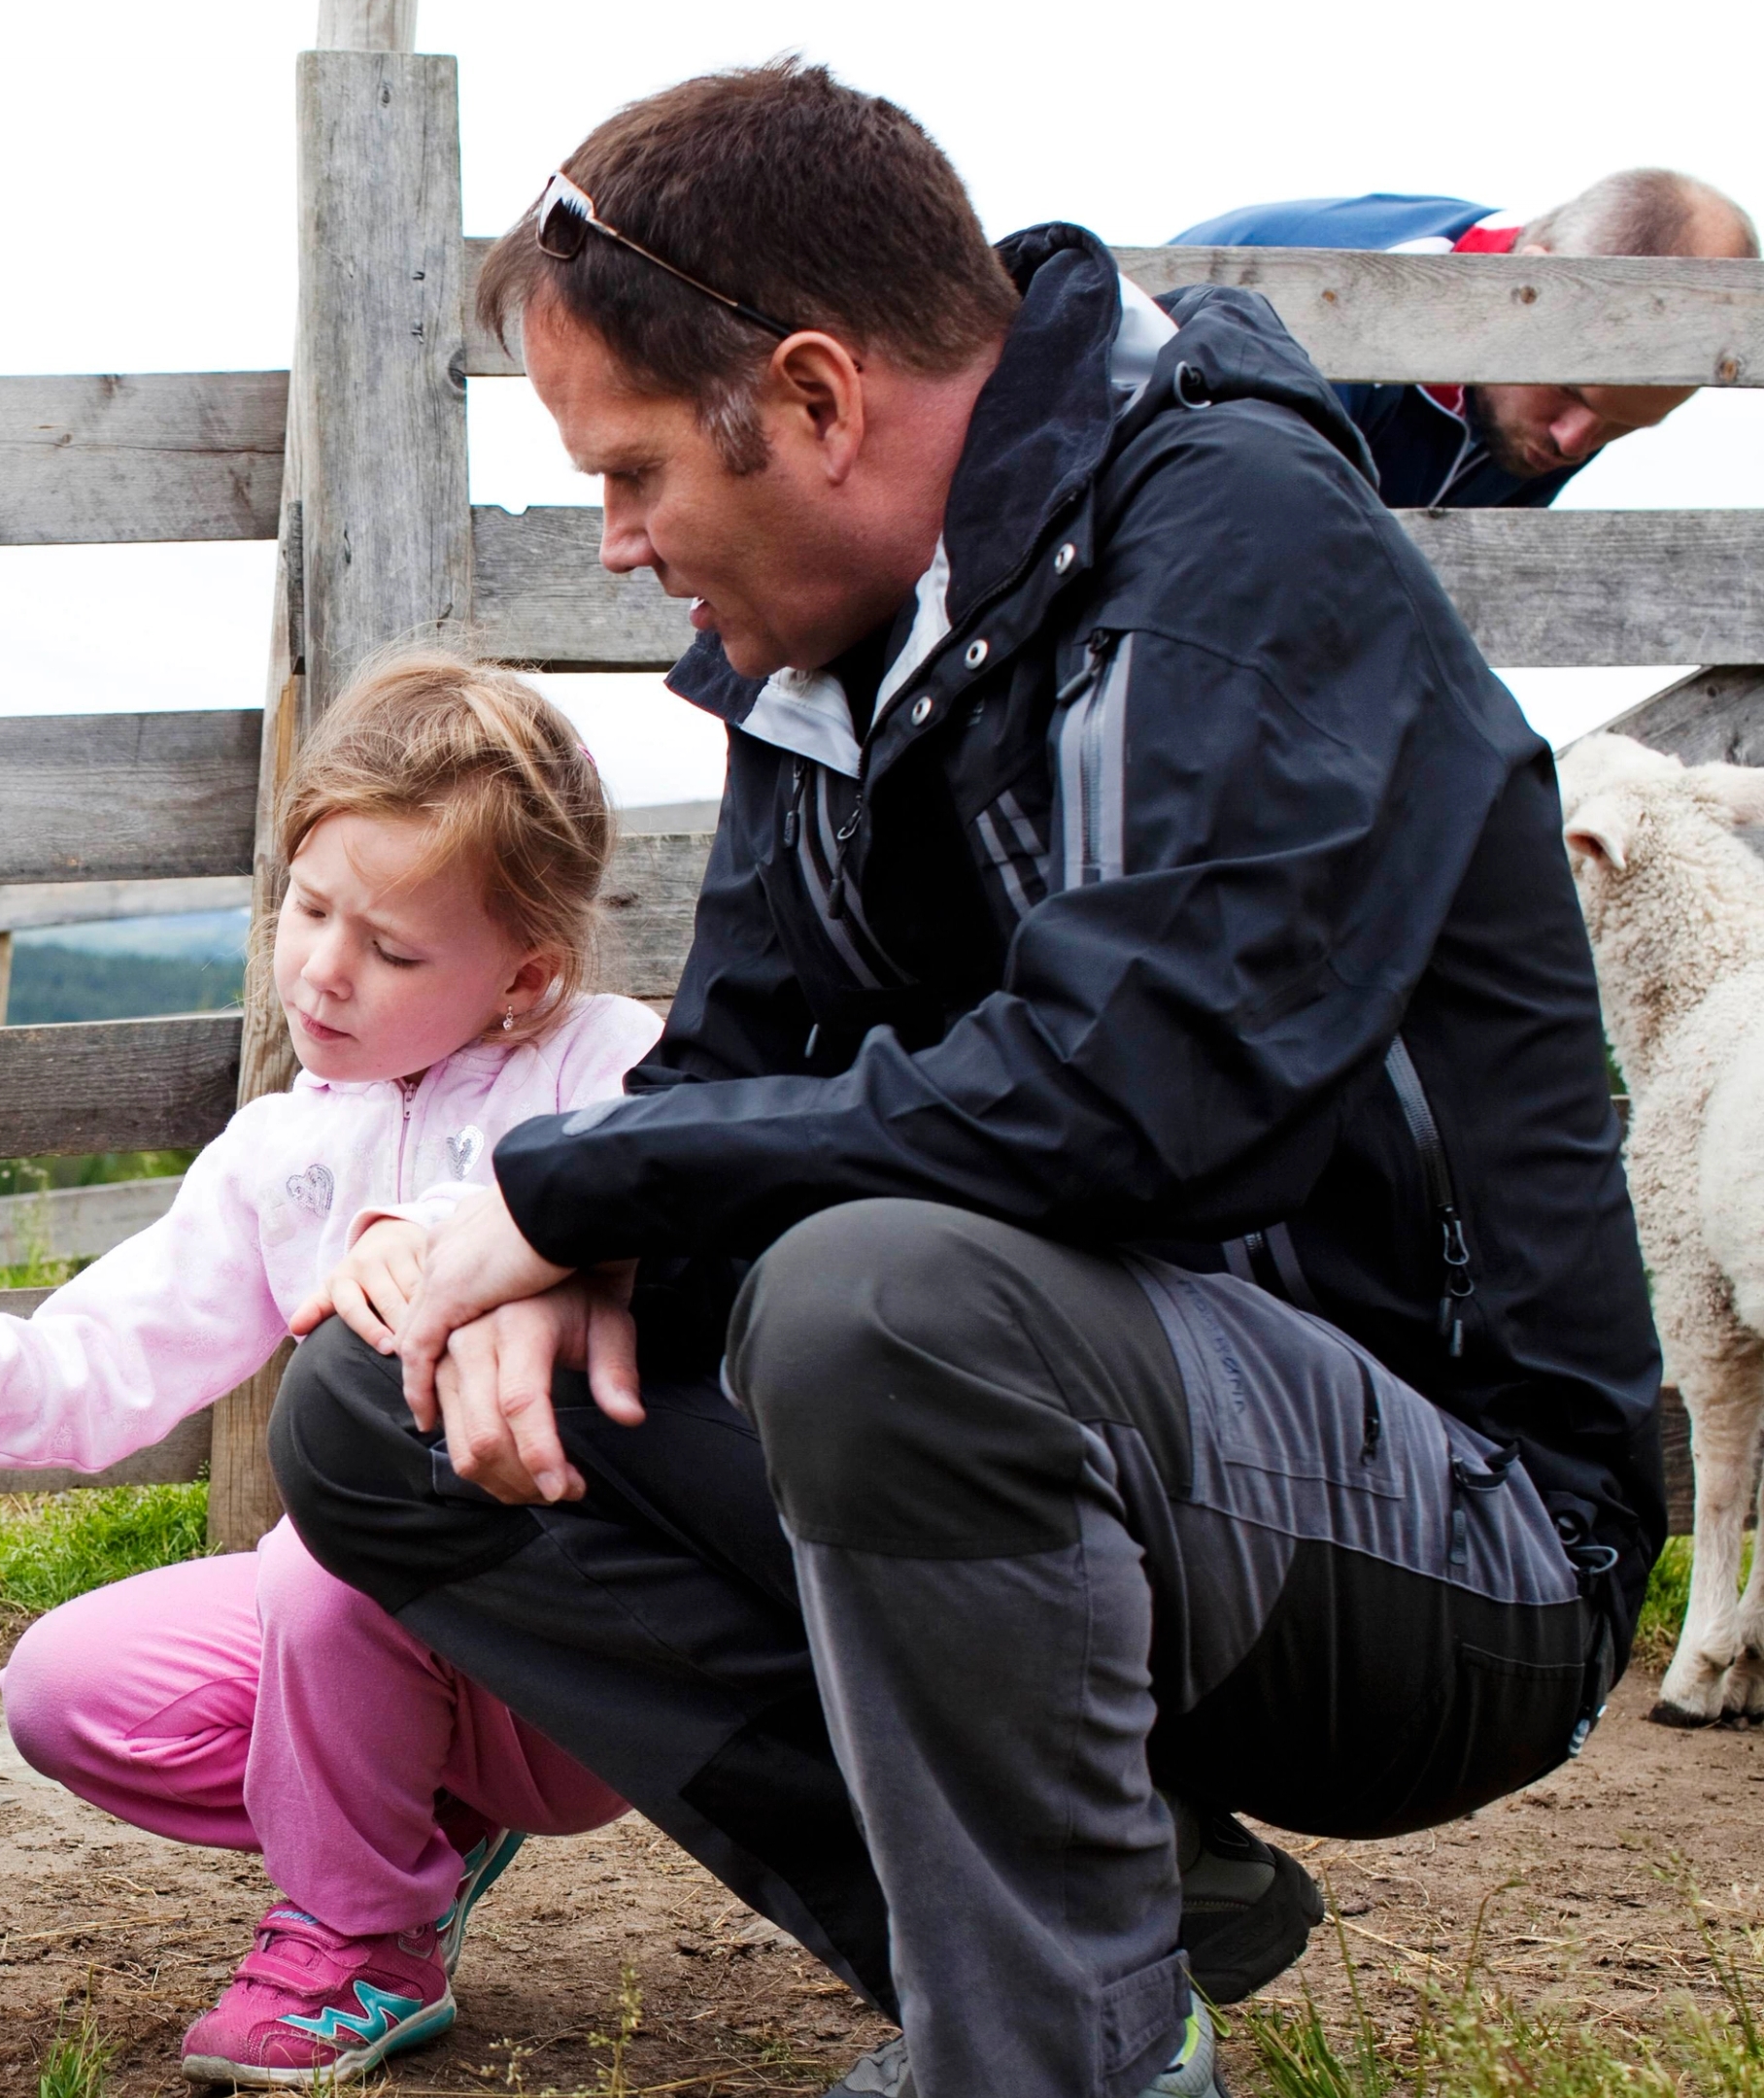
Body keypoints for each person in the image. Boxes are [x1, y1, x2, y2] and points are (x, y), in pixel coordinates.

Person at [268, 65, 1660, 2098]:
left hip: (1460, 1549)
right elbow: (740, 1058)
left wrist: (572, 1196)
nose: (621, 540)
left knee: (883, 1307)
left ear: (820, 402)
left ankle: (1054, 2059)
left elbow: (1139, 1101)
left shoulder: (1239, 550)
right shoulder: (828, 655)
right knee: (375, 1402)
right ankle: (1109, 1945)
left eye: (638, 467)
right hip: (1111, 1469)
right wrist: (564, 1256)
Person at [0, 652, 659, 2086]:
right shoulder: (280, 1153)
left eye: (393, 948)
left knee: (333, 1551)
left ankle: (357, 1937)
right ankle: (414, 1842)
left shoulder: (610, 1063)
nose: (322, 967)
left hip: (584, 1652)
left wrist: (455, 1236)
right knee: (62, 1689)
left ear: (526, 975)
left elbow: (668, 1187)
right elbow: (111, 1358)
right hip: (376, 1635)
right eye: (307, 910)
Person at [1170, 173, 1757, 508]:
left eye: (1624, 424)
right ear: (1522, 281)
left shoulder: (1567, 400)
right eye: (1568, 389)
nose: (1574, 442)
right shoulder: (1358, 298)